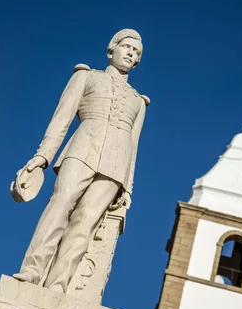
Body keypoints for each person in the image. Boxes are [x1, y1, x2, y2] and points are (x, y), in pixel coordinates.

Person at [12, 29, 149, 293]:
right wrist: (42, 156)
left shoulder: (138, 102)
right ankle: (32, 270)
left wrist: (128, 187)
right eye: (127, 47)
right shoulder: (86, 77)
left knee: (86, 221)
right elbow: (61, 119)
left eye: (136, 52)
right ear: (112, 50)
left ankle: (58, 284)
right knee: (60, 205)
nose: (131, 53)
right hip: (82, 148)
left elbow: (133, 145)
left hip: (116, 165)